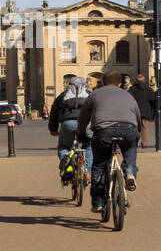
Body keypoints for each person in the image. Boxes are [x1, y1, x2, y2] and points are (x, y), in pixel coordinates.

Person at [77, 72, 142, 212]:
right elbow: (137, 115)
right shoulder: (128, 95)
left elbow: (83, 116)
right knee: (130, 149)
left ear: (102, 82)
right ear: (119, 84)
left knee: (99, 165)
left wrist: (81, 133)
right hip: (128, 129)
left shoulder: (94, 94)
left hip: (103, 131)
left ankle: (98, 202)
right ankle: (130, 173)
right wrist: (137, 133)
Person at [48, 75, 93, 179]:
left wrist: (53, 129)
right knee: (89, 145)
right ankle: (87, 171)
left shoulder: (63, 95)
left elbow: (54, 113)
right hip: (85, 123)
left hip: (68, 122)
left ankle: (68, 166)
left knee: (64, 146)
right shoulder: (90, 95)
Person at [129, 73, 155, 149]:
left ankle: (134, 143)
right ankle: (144, 143)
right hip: (145, 110)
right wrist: (152, 110)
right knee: (145, 128)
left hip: (135, 111)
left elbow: (129, 99)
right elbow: (152, 100)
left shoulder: (132, 89)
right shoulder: (148, 89)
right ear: (144, 80)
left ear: (136, 81)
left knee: (135, 127)